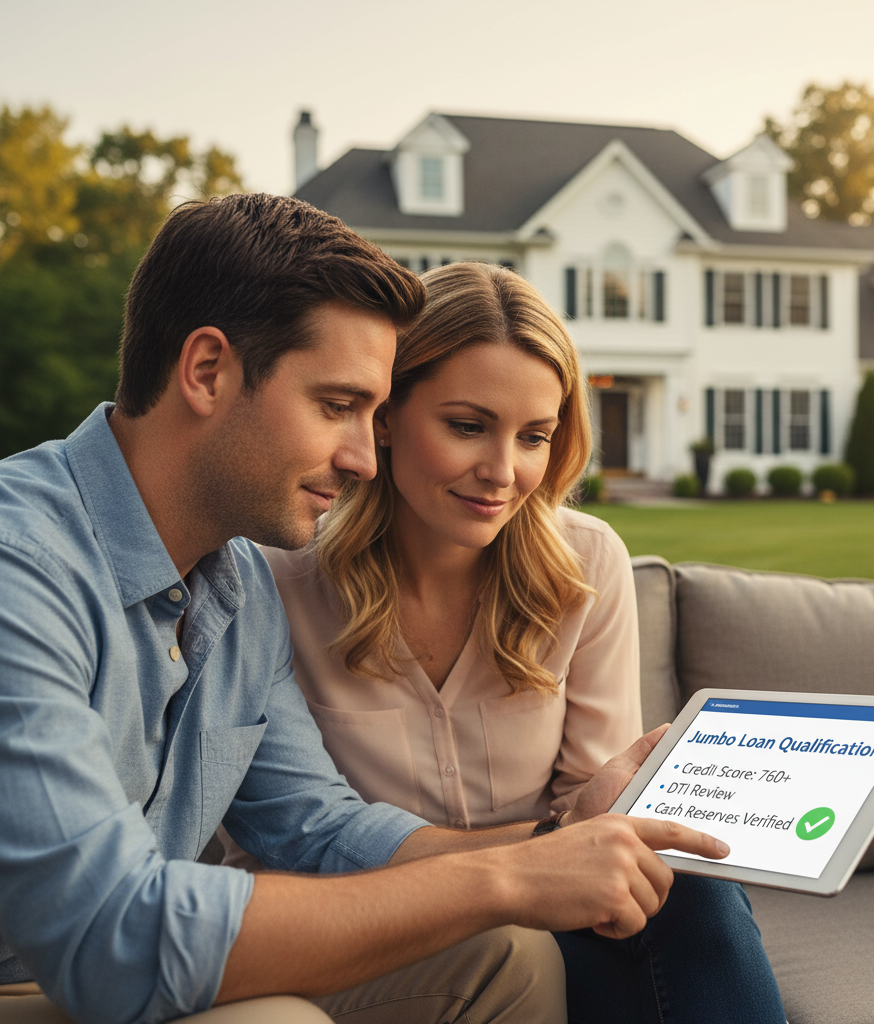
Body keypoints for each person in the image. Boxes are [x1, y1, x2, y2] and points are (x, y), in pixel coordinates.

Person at [0, 194, 731, 1024]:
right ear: (206, 372)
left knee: (507, 959)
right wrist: (502, 879)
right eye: (338, 406)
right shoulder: (23, 567)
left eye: (371, 414)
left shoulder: (236, 585)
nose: (363, 457)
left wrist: (554, 843)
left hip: (123, 966)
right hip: (52, 972)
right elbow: (109, 940)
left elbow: (318, 831)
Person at [238, 262, 787, 1023]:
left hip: (550, 915)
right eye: (467, 426)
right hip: (366, 925)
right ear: (386, 416)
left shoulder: (586, 563)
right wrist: (547, 845)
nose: (503, 473)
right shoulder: (276, 576)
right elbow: (293, 835)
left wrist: (600, 821)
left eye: (534, 437)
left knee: (690, 888)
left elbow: (593, 815)